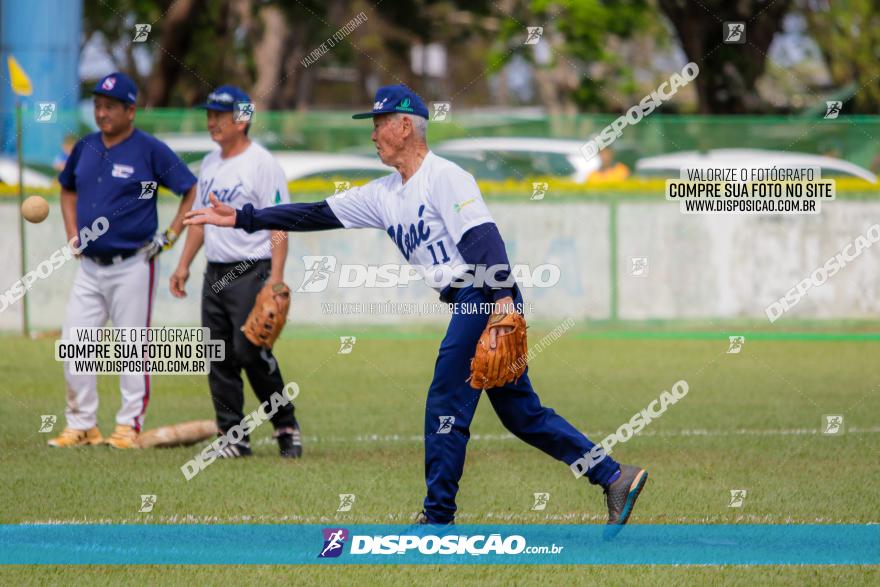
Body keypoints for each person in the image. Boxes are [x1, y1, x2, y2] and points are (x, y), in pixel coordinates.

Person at [185, 84, 647, 534]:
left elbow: (483, 239)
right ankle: (614, 476)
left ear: (405, 126)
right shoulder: (385, 193)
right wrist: (244, 218)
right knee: (521, 413)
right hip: (475, 298)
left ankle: (438, 516)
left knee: (445, 401)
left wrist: (504, 304)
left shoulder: (445, 177)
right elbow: (316, 212)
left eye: (380, 123)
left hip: (484, 293)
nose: (373, 133)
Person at [50, 72, 197, 449]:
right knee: (75, 342)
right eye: (98, 105)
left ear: (131, 110)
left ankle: (128, 424)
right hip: (90, 266)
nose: (101, 113)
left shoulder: (149, 150)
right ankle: (82, 424)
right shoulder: (84, 146)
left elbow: (190, 188)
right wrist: (72, 233)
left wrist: (171, 236)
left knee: (132, 346)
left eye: (110, 106)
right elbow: (67, 189)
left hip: (133, 263)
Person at [170, 85, 302, 458]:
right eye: (209, 113)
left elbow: (279, 225)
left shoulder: (262, 164)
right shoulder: (210, 163)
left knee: (250, 351)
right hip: (216, 273)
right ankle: (233, 436)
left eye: (220, 114)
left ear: (241, 120)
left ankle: (285, 424)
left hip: (252, 270)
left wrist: (276, 280)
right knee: (219, 356)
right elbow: (199, 220)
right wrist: (183, 265)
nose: (212, 121)